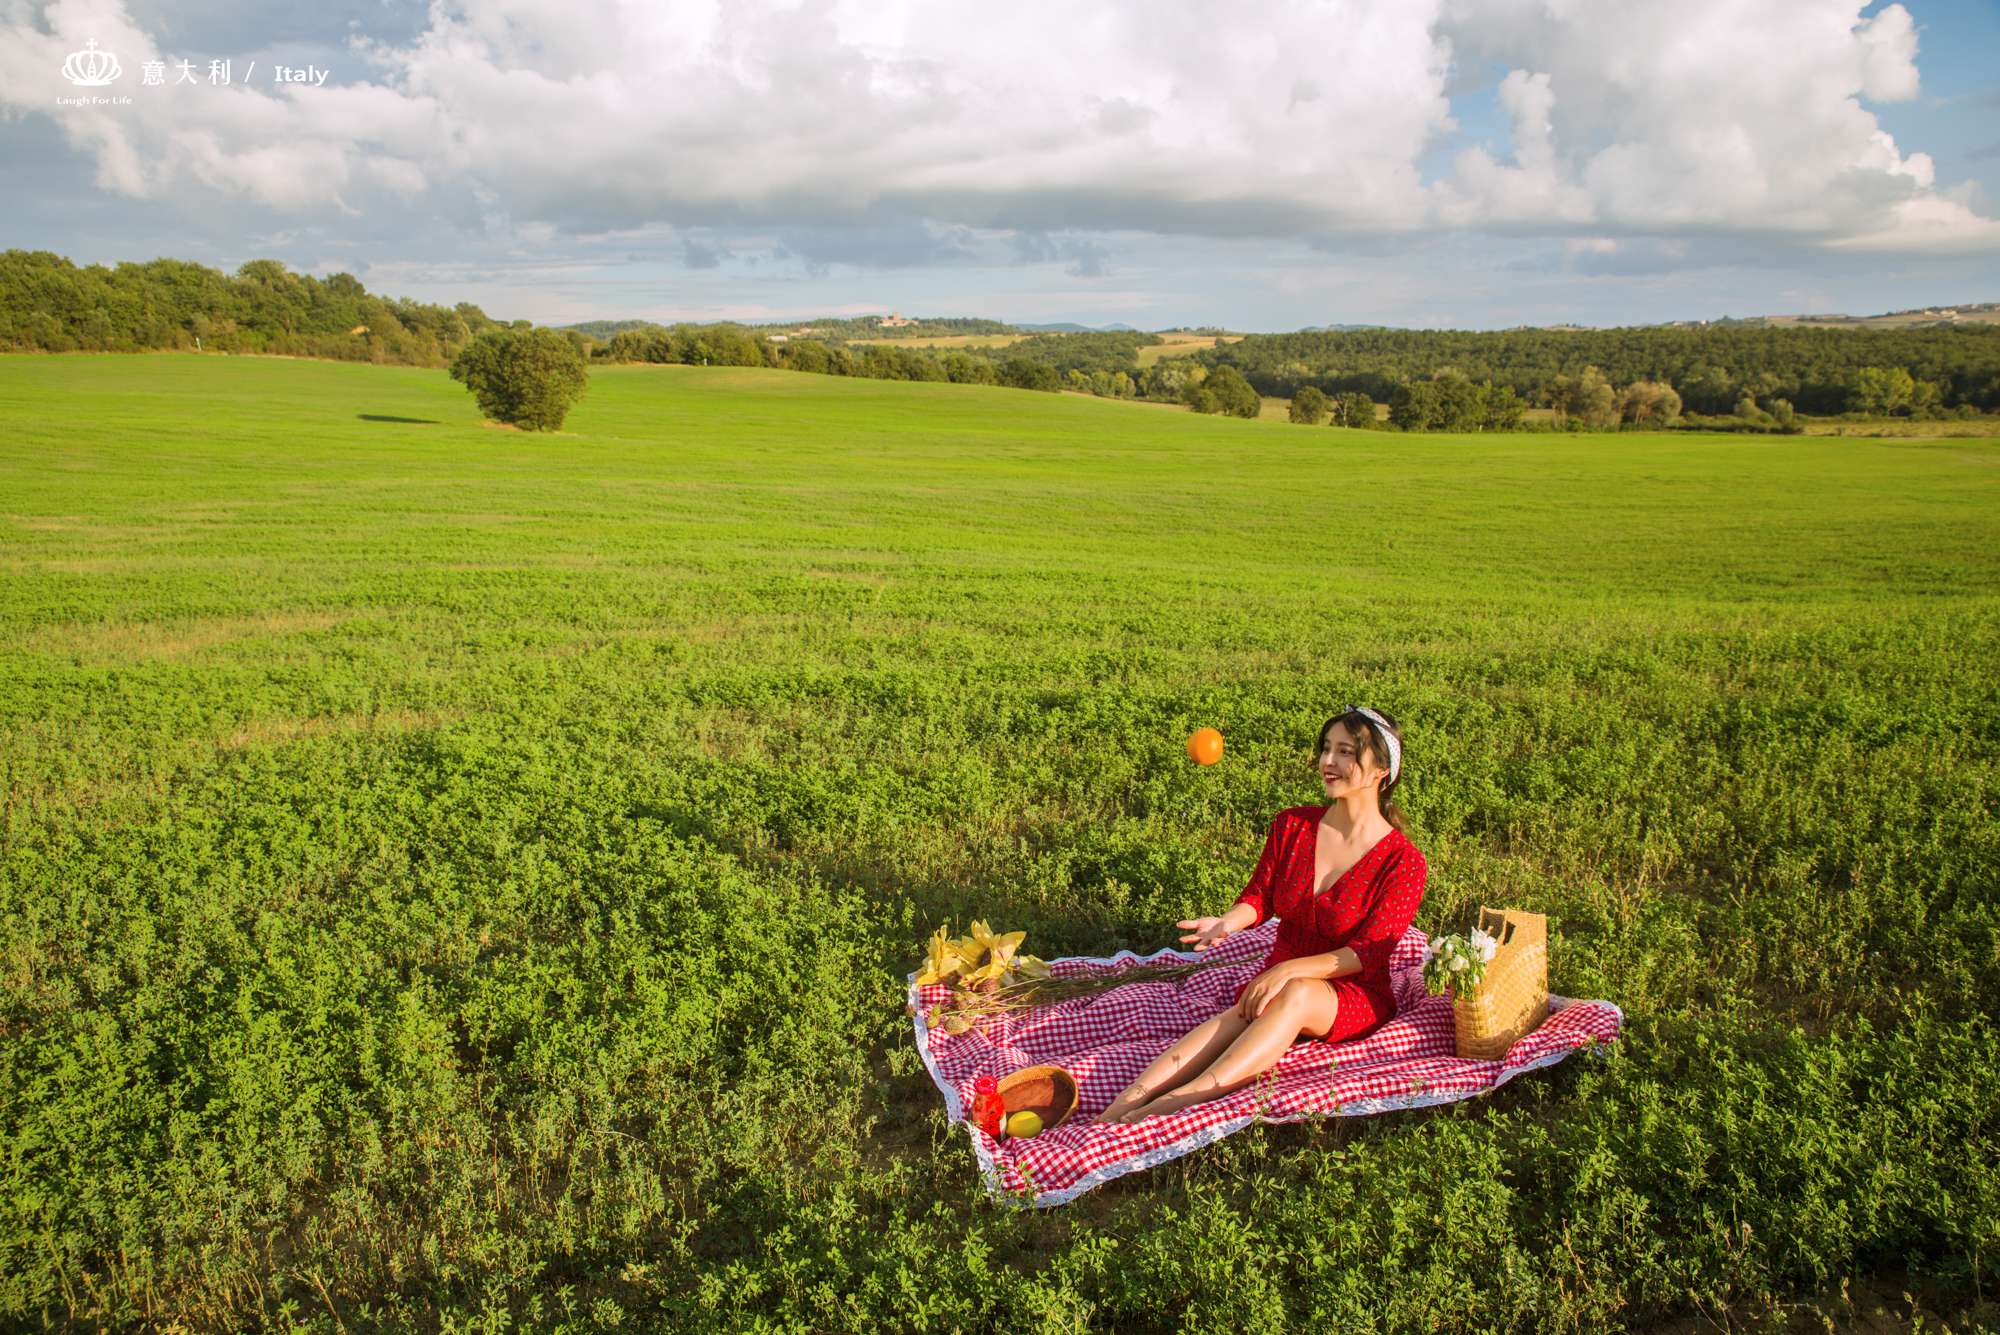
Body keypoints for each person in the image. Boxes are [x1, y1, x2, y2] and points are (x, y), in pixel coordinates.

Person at [1095, 707, 1426, 1124]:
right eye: (1326, 749)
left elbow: (1367, 953)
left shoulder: (1403, 862)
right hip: (1277, 979)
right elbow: (1259, 896)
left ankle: (1176, 1104)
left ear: (1381, 769)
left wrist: (1287, 971)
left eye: (1345, 752)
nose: (1328, 762)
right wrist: (1227, 923)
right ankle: (1119, 1108)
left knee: (1295, 993)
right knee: (1238, 1015)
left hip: (1352, 991)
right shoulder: (1293, 825)